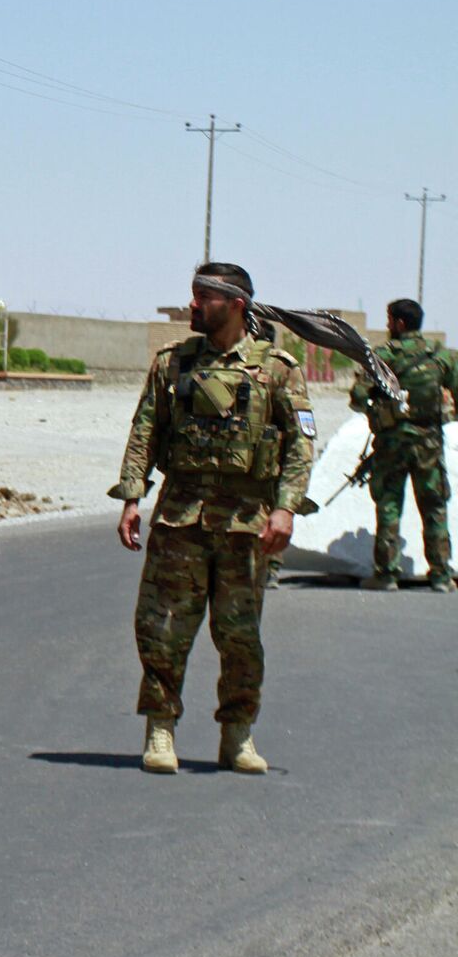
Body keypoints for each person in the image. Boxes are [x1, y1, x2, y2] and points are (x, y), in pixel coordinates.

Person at [112, 263, 316, 775]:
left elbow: (299, 447)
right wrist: (132, 498)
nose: (194, 306)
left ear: (236, 304)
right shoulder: (172, 364)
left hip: (248, 525)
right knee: (162, 629)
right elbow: (144, 432)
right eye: (194, 296)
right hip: (181, 520)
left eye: (204, 297)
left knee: (240, 635)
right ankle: (160, 729)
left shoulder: (278, 369)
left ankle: (238, 735)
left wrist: (286, 509)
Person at [349, 298, 457, 592]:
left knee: (389, 505)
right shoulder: (442, 356)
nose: (387, 326)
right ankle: (441, 575)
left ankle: (386, 575)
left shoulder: (383, 356)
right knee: (434, 506)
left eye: (388, 320)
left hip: (392, 444)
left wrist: (378, 408)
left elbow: (358, 398)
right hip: (429, 444)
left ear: (399, 323)